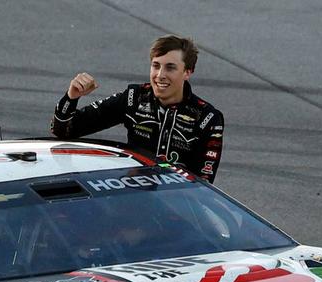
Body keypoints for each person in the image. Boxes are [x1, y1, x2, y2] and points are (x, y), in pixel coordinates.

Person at [50, 35, 224, 183]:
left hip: (177, 204)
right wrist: (71, 98)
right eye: (156, 65)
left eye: (170, 67)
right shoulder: (134, 97)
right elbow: (64, 131)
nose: (160, 75)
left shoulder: (207, 118)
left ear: (188, 72)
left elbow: (203, 184)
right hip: (133, 197)